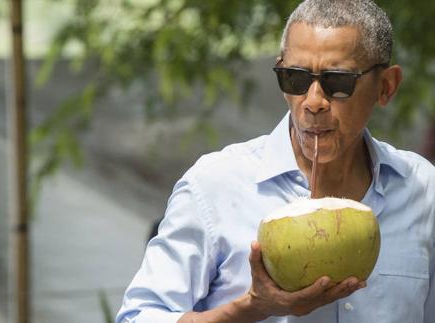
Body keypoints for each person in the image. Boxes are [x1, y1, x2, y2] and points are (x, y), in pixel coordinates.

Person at [116, 0, 435, 322]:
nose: (313, 102)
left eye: (338, 82)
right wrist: (252, 307)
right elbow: (139, 316)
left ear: (386, 86)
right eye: (295, 78)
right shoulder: (216, 186)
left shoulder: (423, 191)